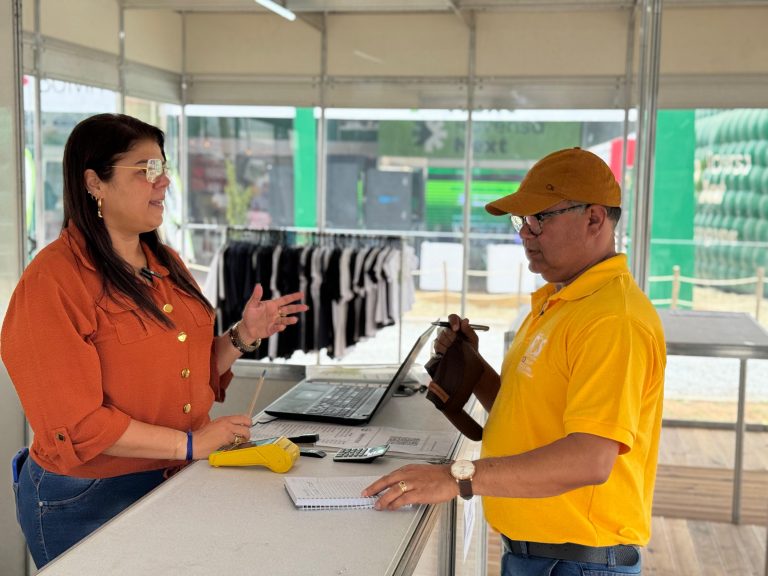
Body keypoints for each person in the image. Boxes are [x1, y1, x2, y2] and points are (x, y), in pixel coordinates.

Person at [1, 113, 308, 569]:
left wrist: (243, 336)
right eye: (146, 169)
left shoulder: (166, 263)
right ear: (94, 182)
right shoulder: (53, 281)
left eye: (163, 168)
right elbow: (79, 424)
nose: (163, 181)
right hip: (90, 497)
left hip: (172, 477)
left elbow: (185, 370)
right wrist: (191, 445)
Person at [364, 147, 666, 576]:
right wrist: (473, 366)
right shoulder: (561, 303)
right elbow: (527, 413)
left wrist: (456, 477)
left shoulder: (613, 319)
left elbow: (590, 459)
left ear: (595, 219)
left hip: (578, 563)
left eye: (540, 218)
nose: (525, 233)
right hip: (542, 556)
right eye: (522, 220)